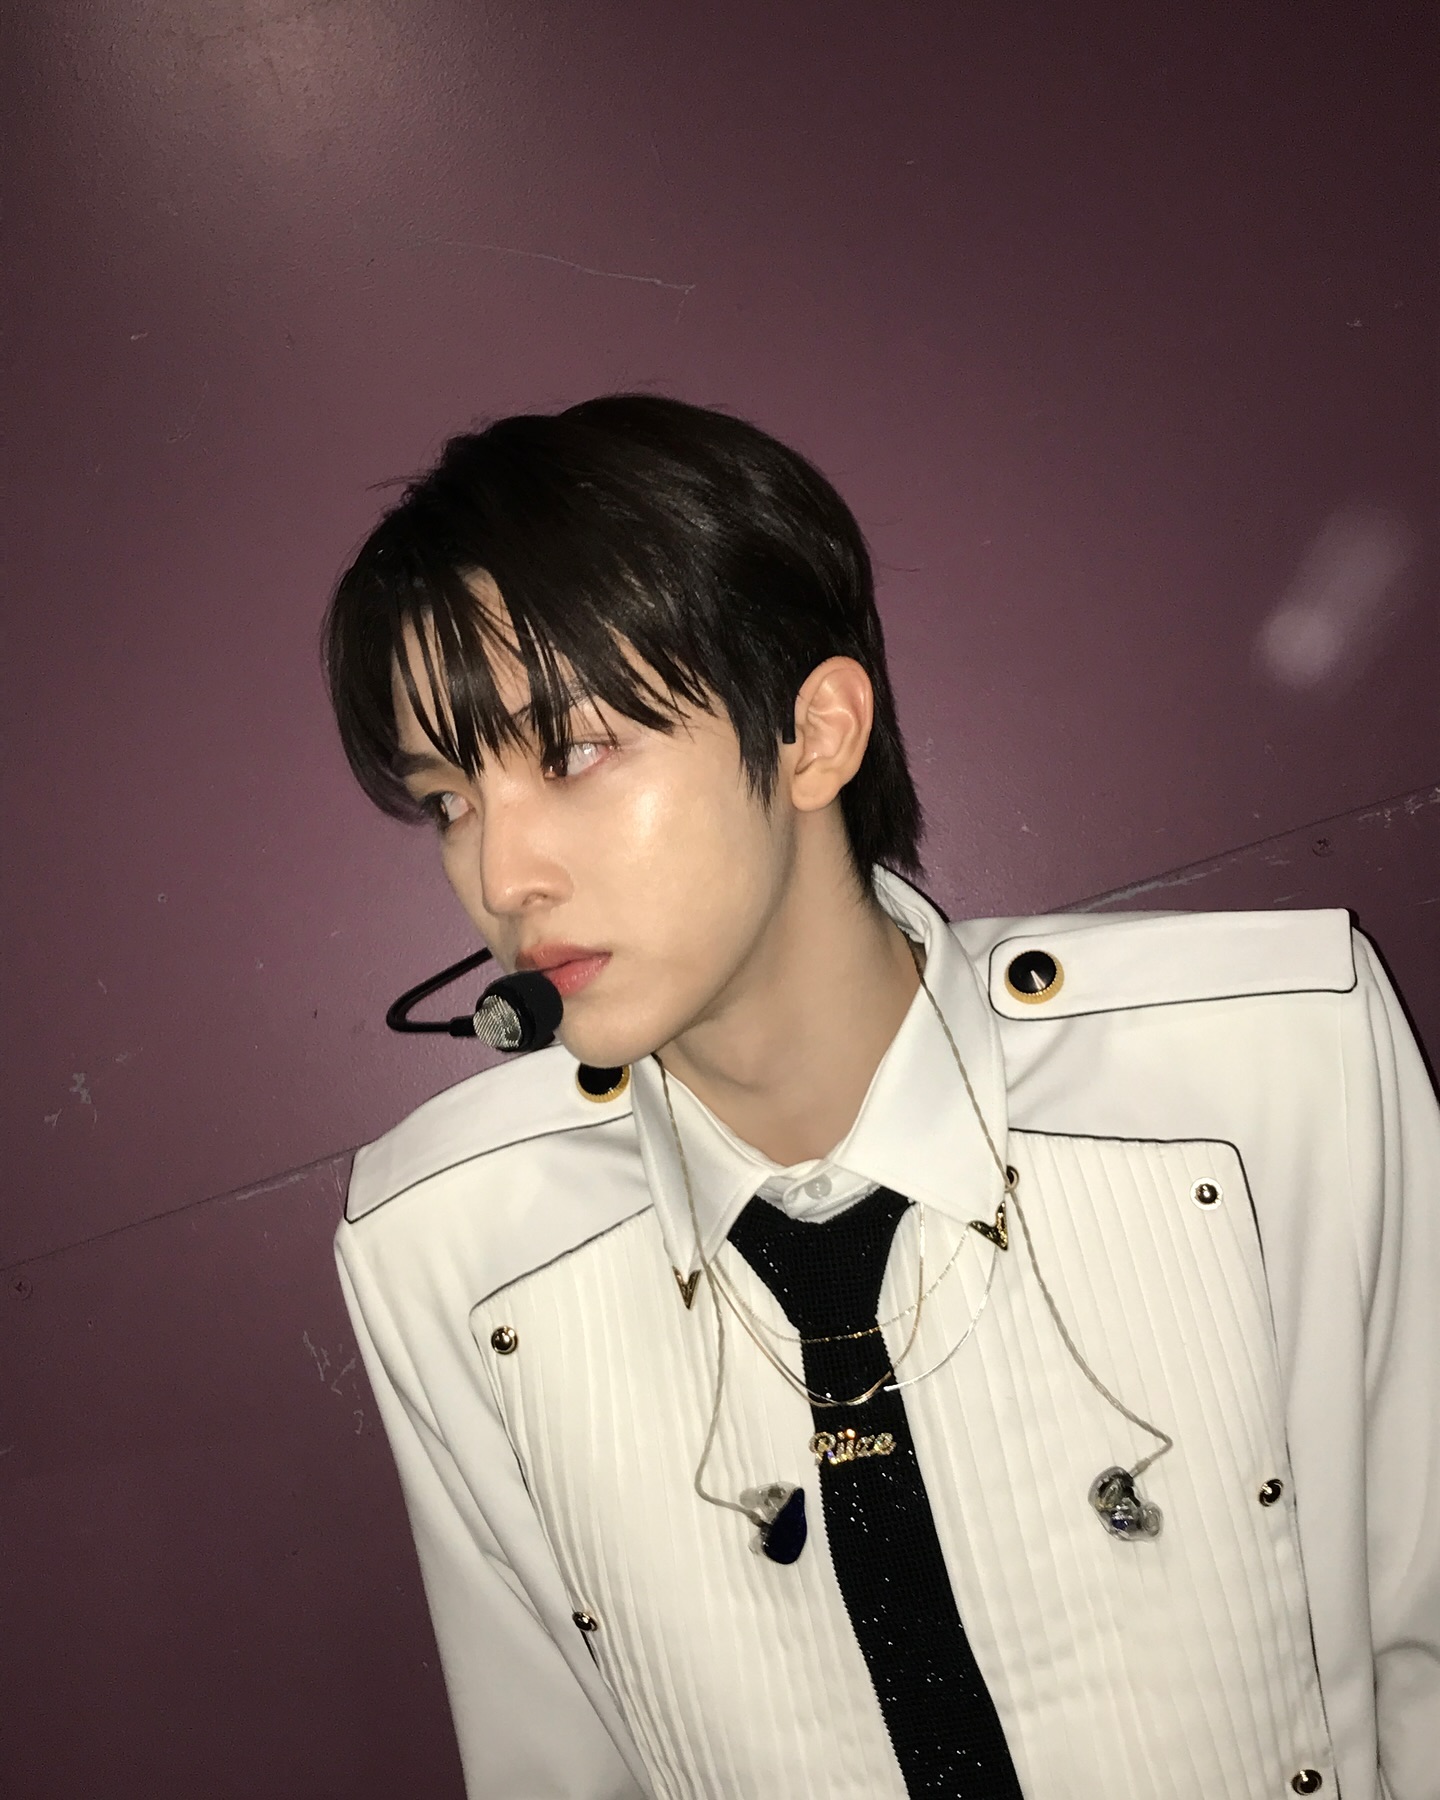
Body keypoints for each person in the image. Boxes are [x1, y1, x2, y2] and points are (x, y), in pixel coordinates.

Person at [322, 394, 1438, 1800]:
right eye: (449, 801)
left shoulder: (1275, 1061)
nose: (501, 876)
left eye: (575, 752)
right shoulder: (444, 1249)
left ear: (815, 734)